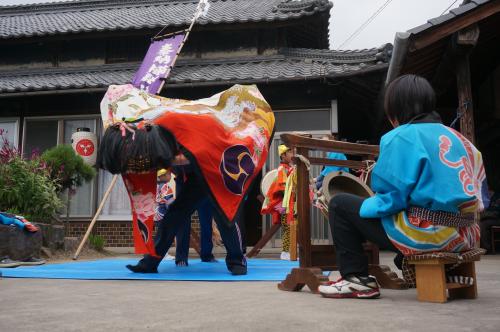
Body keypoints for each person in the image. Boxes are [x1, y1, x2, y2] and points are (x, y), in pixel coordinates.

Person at [319, 74, 488, 299]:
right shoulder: (461, 139)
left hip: (429, 235)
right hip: (467, 234)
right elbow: (481, 193)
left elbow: (390, 199)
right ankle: (435, 269)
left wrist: (364, 208)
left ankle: (357, 279)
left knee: (341, 205)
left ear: (394, 111)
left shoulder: (399, 137)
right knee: (407, 211)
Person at [127, 154, 247, 275]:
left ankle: (237, 261)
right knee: (174, 215)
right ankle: (150, 262)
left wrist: (164, 158)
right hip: (191, 178)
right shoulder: (164, 139)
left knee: (223, 218)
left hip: (213, 174)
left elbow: (191, 154)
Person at [261, 144, 295, 260]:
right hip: (285, 203)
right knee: (288, 227)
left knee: (292, 227)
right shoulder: (282, 169)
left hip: (290, 201)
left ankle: (291, 251)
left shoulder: (289, 168)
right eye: (290, 152)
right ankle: (285, 252)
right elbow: (282, 186)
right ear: (283, 155)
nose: (292, 155)